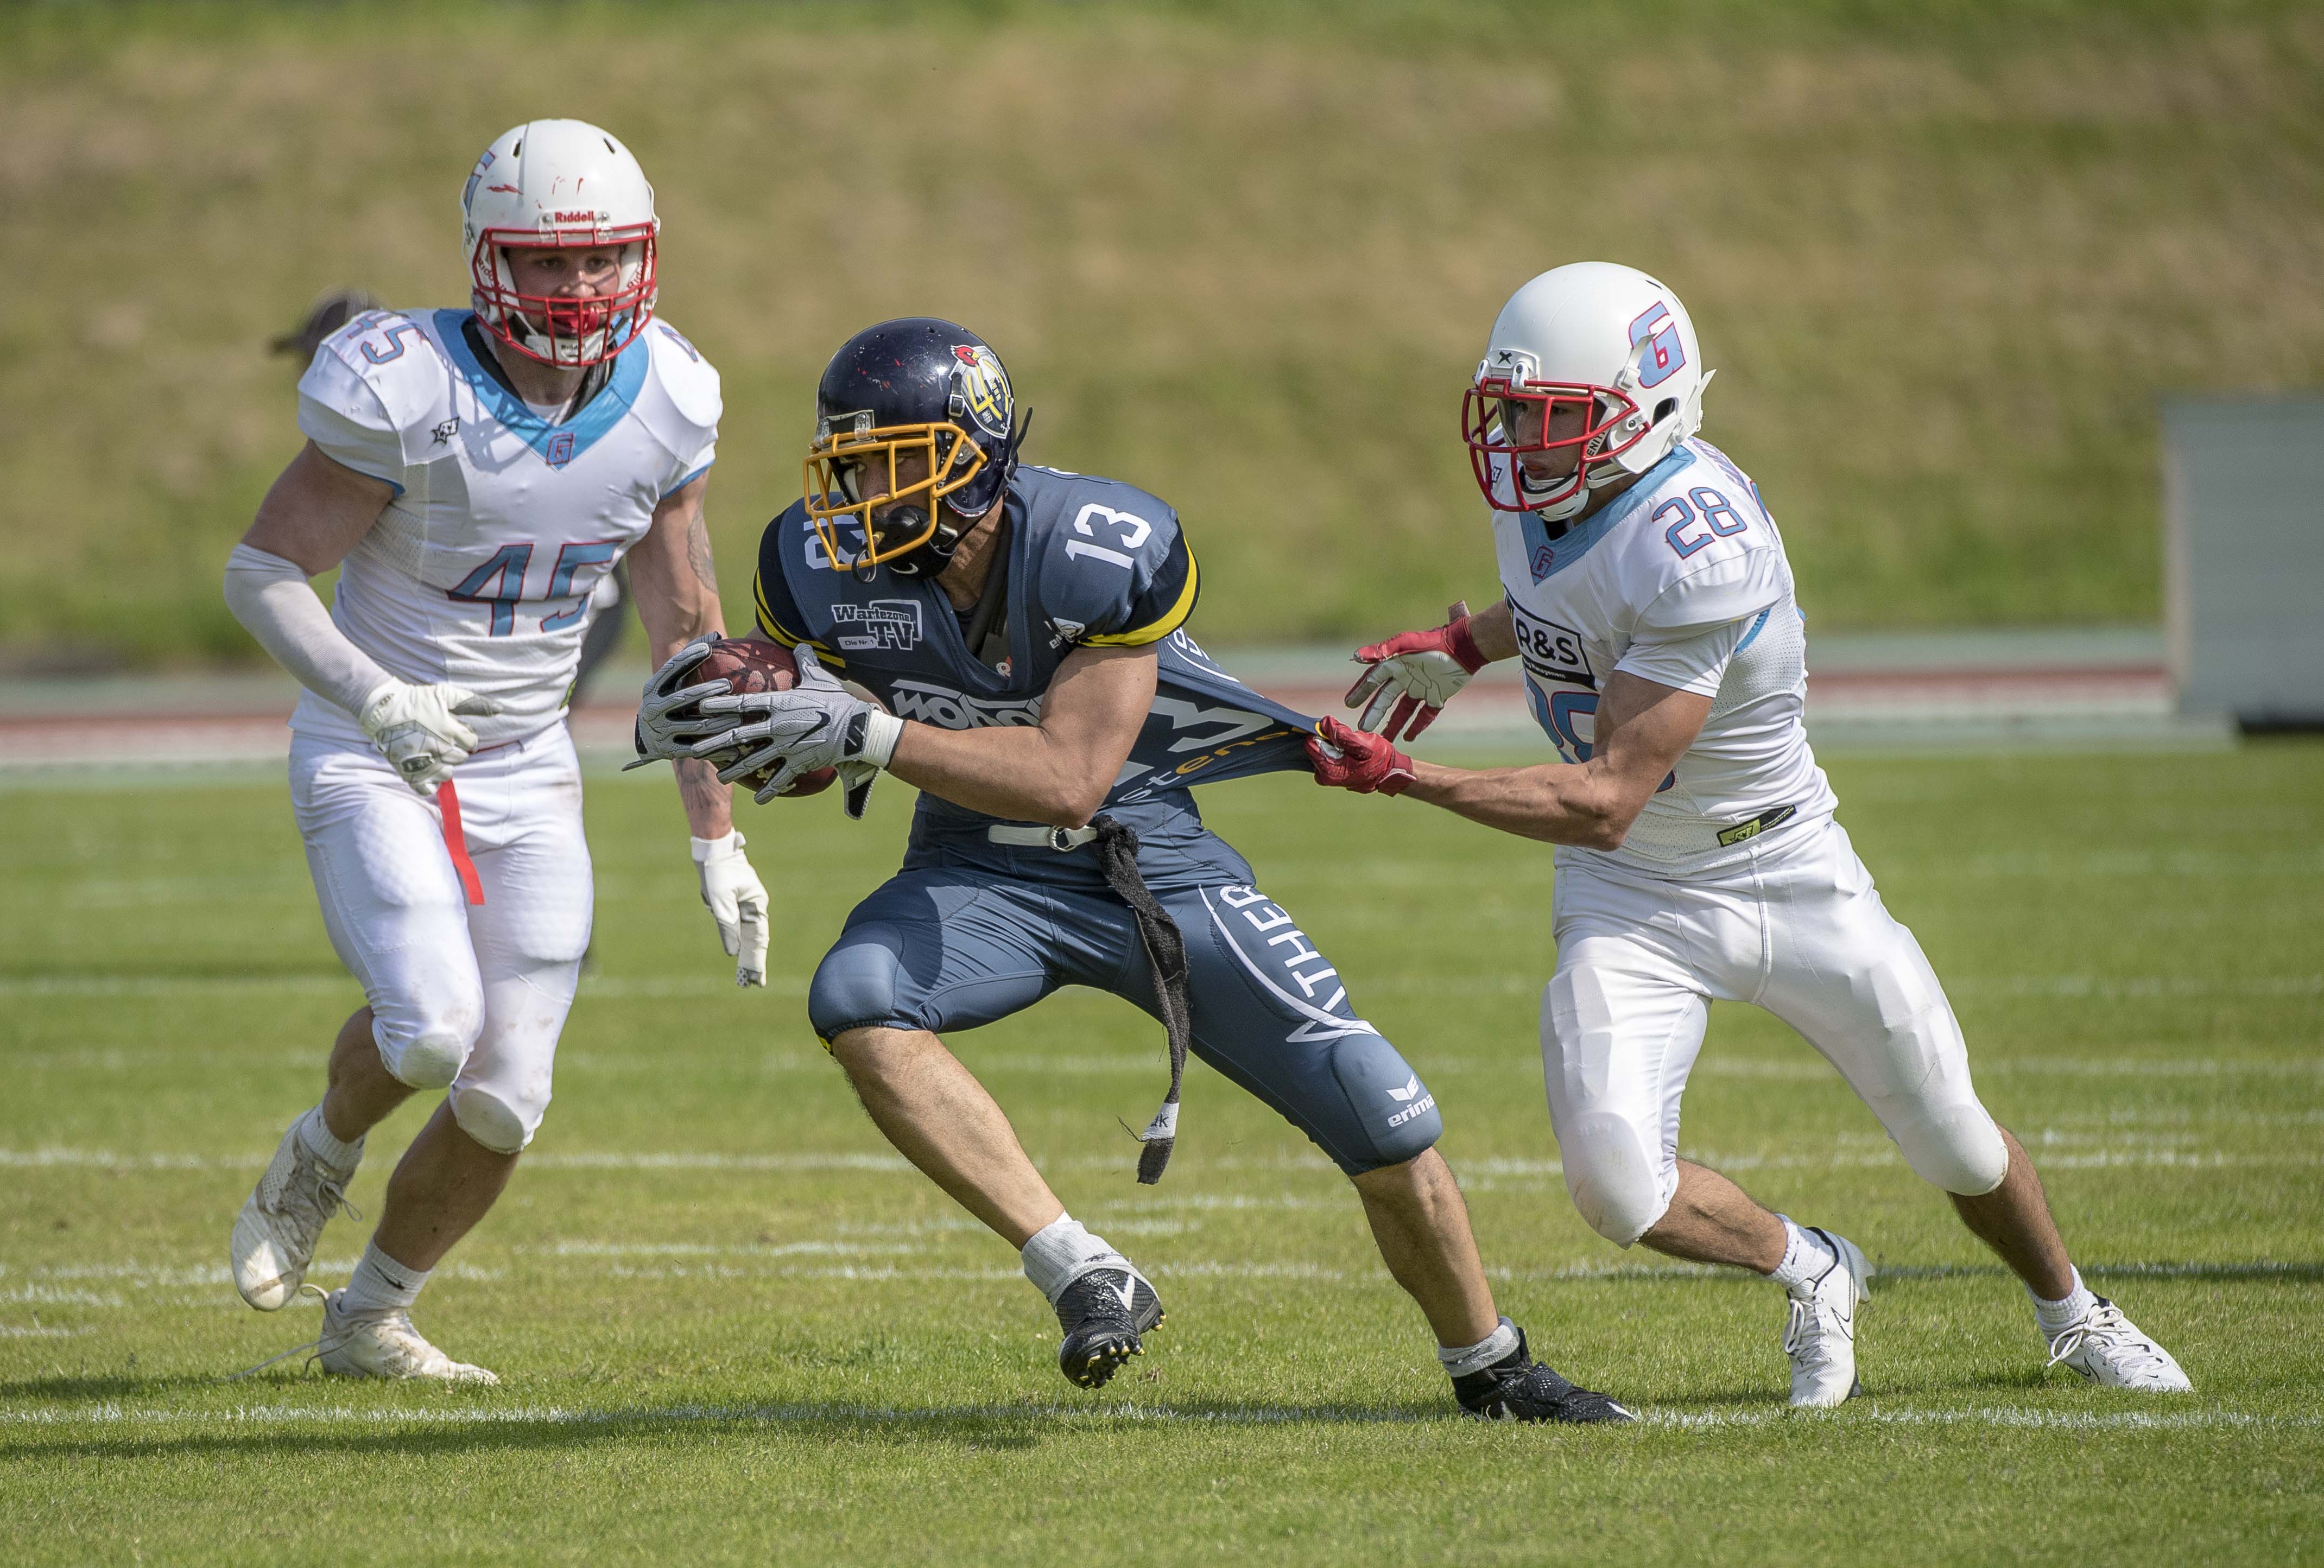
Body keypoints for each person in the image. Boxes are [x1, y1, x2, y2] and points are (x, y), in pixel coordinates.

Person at [635, 317, 1629, 1421]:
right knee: (857, 999)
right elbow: (827, 737)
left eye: (889, 465)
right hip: (974, 866)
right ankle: (1080, 1268)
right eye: (845, 465)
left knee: (1381, 1118)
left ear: (972, 458)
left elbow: (1070, 777)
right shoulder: (805, 560)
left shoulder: (1098, 542)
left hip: (1146, 856)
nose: (857, 494)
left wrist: (863, 736)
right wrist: (744, 721)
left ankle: (1490, 1364)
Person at [1307, 262, 2190, 1406]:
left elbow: (1607, 794)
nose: (1522, 442)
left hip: (1782, 865)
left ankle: (2074, 1313)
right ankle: (1813, 1264)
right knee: (1617, 1186)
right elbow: (1562, 604)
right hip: (1634, 899)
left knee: (1954, 1139)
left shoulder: (1700, 544)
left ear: (1652, 407)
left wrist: (1408, 778)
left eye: (1552, 416)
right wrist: (1465, 644)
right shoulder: (1554, 497)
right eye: (1516, 412)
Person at [223, 119, 768, 1382]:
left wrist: (716, 834)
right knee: (426, 1029)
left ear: (644, 258)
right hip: (381, 752)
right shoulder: (405, 380)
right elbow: (263, 572)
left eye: (601, 262)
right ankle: (319, 1150)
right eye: (544, 262)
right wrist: (373, 695)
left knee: (509, 1089)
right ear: (486, 261)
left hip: (527, 762)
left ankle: (370, 1317)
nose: (576, 290)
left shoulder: (671, 398)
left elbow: (689, 630)